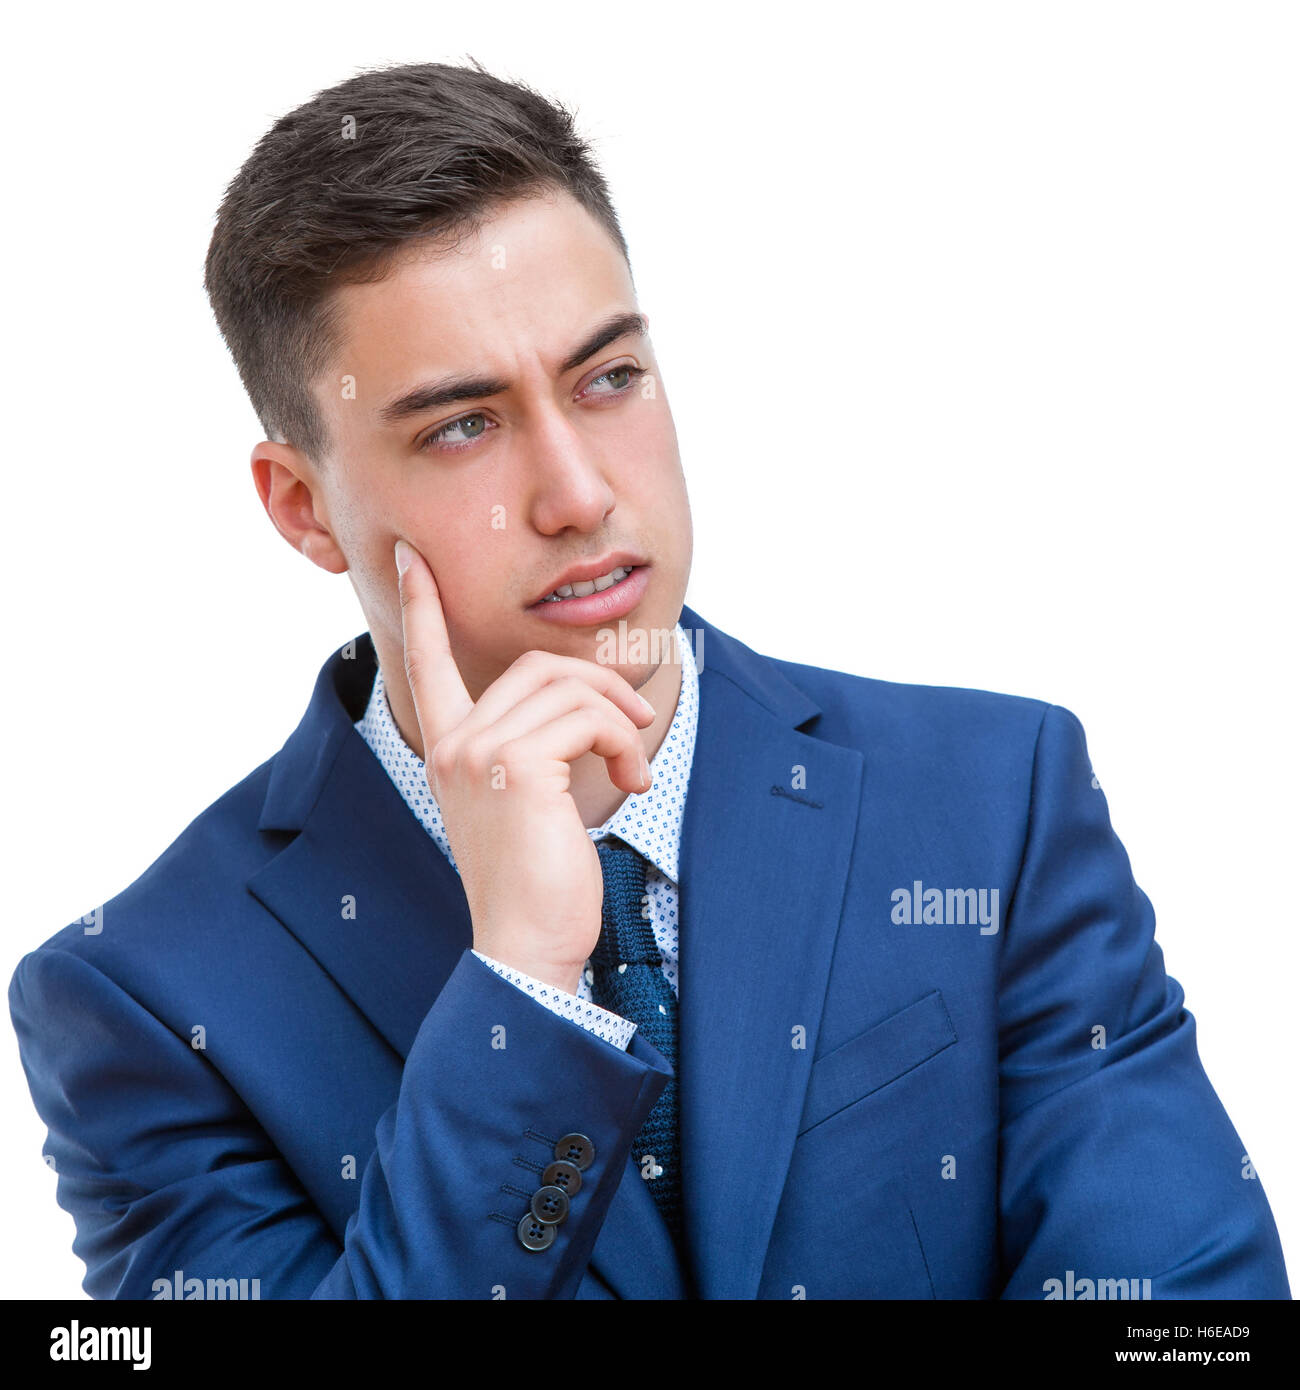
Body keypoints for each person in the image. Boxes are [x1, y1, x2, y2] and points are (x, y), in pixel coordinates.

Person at [9, 60, 1290, 1301]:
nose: (579, 494)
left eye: (607, 378)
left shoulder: (992, 803)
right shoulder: (145, 998)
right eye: (463, 424)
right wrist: (519, 983)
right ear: (304, 509)